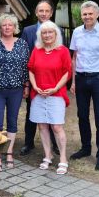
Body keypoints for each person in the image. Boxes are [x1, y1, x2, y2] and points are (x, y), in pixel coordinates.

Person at [69, 1, 99, 170]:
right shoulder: (76, 32)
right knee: (82, 115)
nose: (87, 17)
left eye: (90, 14)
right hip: (81, 78)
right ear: (81, 16)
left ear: (97, 14)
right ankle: (86, 148)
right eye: (84, 14)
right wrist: (73, 81)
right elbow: (74, 58)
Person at [0, 13, 29, 171]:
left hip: (16, 89)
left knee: (12, 121)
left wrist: (27, 86)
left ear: (15, 27)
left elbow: (25, 68)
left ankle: (9, 153)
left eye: (10, 25)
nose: (7, 27)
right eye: (4, 25)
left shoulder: (22, 44)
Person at [28, 21, 71, 175]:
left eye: (50, 32)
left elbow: (67, 72)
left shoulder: (63, 51)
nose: (47, 35)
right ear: (40, 35)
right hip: (38, 94)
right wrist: (34, 86)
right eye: (44, 33)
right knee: (42, 126)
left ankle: (63, 159)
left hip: (56, 94)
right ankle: (48, 155)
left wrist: (56, 88)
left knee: (57, 127)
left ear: (56, 34)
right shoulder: (36, 50)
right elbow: (31, 70)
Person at [20, 0, 61, 156]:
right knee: (32, 110)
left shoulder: (57, 31)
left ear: (51, 13)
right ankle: (28, 143)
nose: (44, 14)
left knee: (53, 112)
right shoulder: (28, 31)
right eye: (40, 11)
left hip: (53, 79)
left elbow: (62, 55)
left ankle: (55, 144)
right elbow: (24, 57)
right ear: (36, 13)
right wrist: (27, 83)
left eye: (47, 11)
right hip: (33, 79)